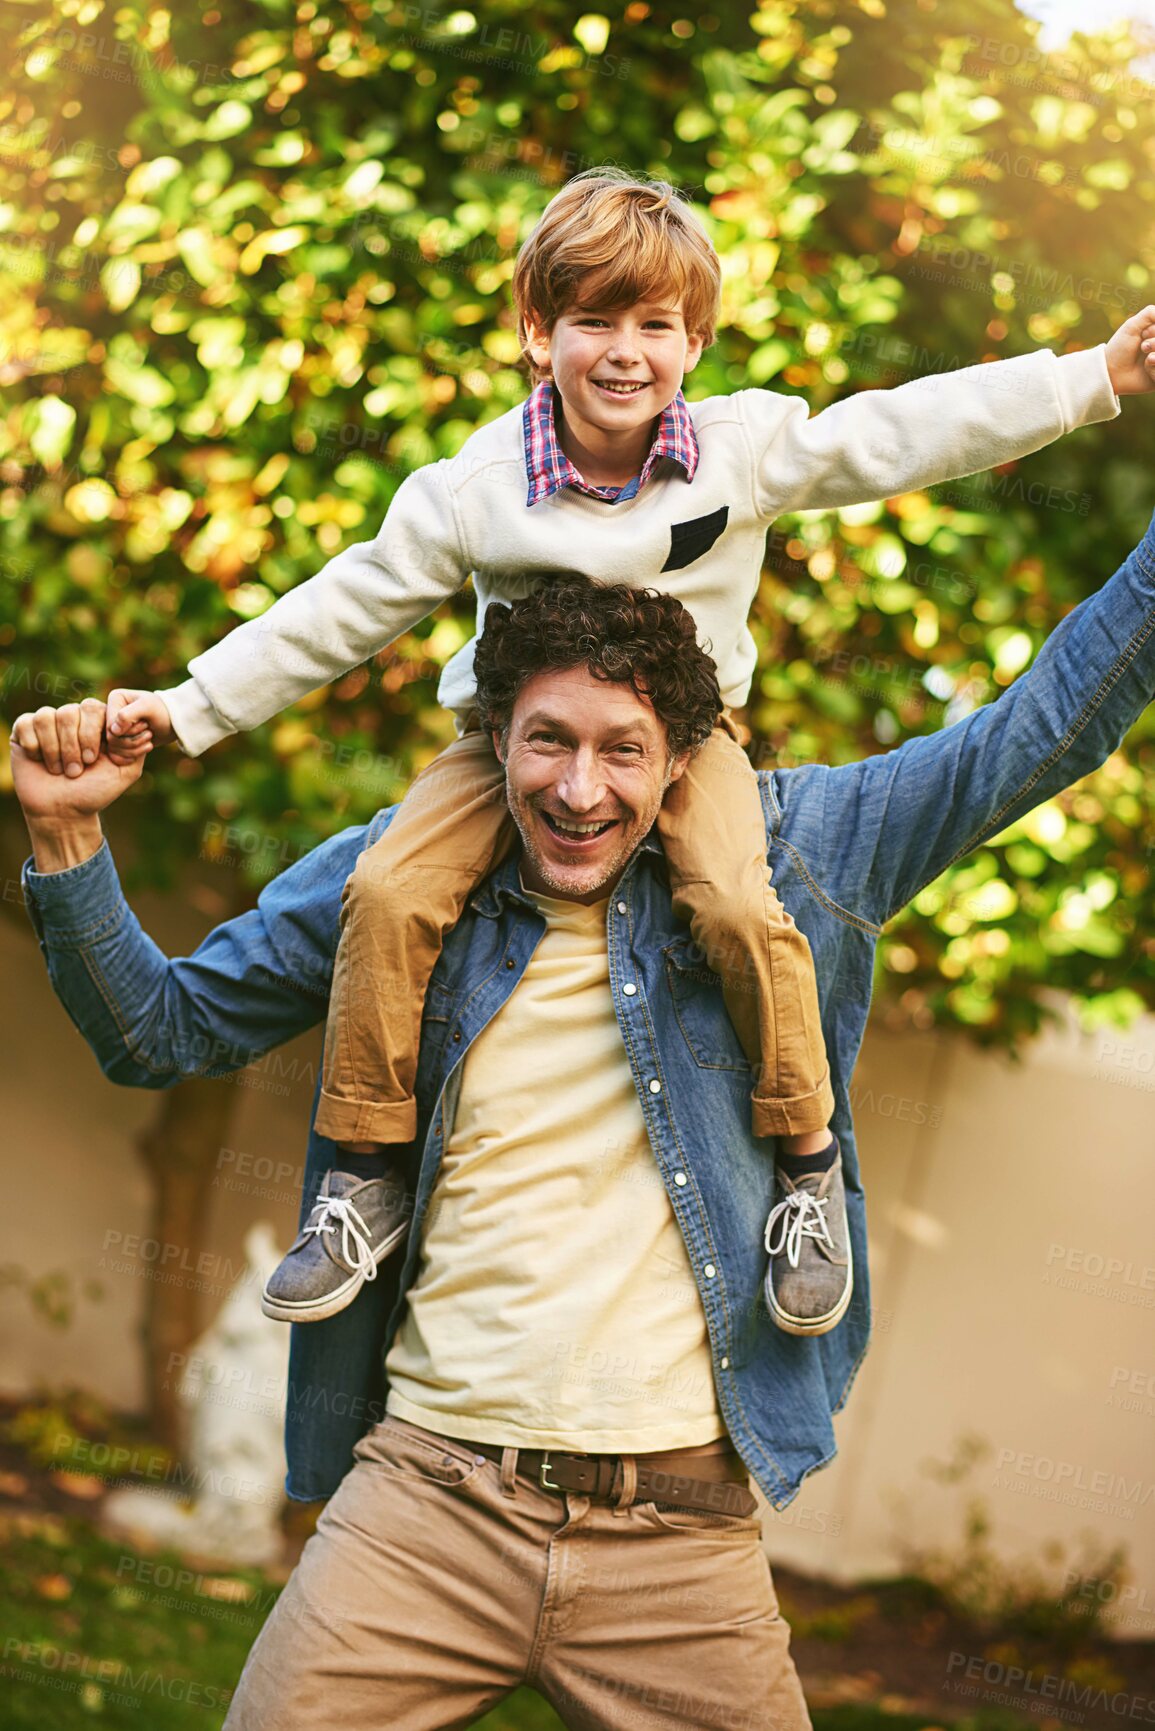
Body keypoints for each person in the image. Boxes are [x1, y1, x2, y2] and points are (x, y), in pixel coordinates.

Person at [13, 524, 1155, 1729]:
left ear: (679, 764)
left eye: (624, 751)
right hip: (426, 1506)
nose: (577, 787)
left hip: (680, 1544)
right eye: (546, 740)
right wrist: (66, 836)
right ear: (493, 740)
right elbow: (162, 1033)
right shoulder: (396, 885)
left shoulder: (799, 854)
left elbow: (1037, 733)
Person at [24, 169, 1155, 1338]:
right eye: (593, 321)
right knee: (386, 886)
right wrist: (190, 707)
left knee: (730, 897)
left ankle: (805, 1165)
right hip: (496, 746)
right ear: (536, 333)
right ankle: (364, 1173)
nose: (625, 354)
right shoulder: (475, 490)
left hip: (691, 744)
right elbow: (342, 607)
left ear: (693, 340)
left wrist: (1097, 376)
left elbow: (904, 432)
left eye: (654, 326)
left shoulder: (740, 451)